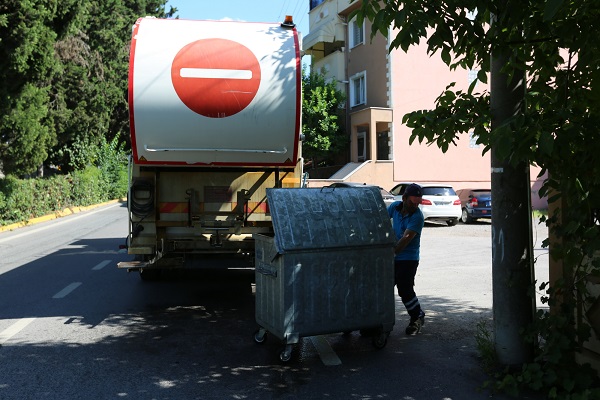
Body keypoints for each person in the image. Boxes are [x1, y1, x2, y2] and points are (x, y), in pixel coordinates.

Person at [388, 183, 426, 335]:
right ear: (403, 198)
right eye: (412, 202)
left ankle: (417, 316)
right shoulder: (395, 207)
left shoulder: (417, 216)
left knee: (404, 288)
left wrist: (391, 253)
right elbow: (381, 220)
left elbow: (406, 239)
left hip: (408, 257)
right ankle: (378, 321)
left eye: (418, 202)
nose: (415, 205)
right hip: (394, 254)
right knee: (384, 286)